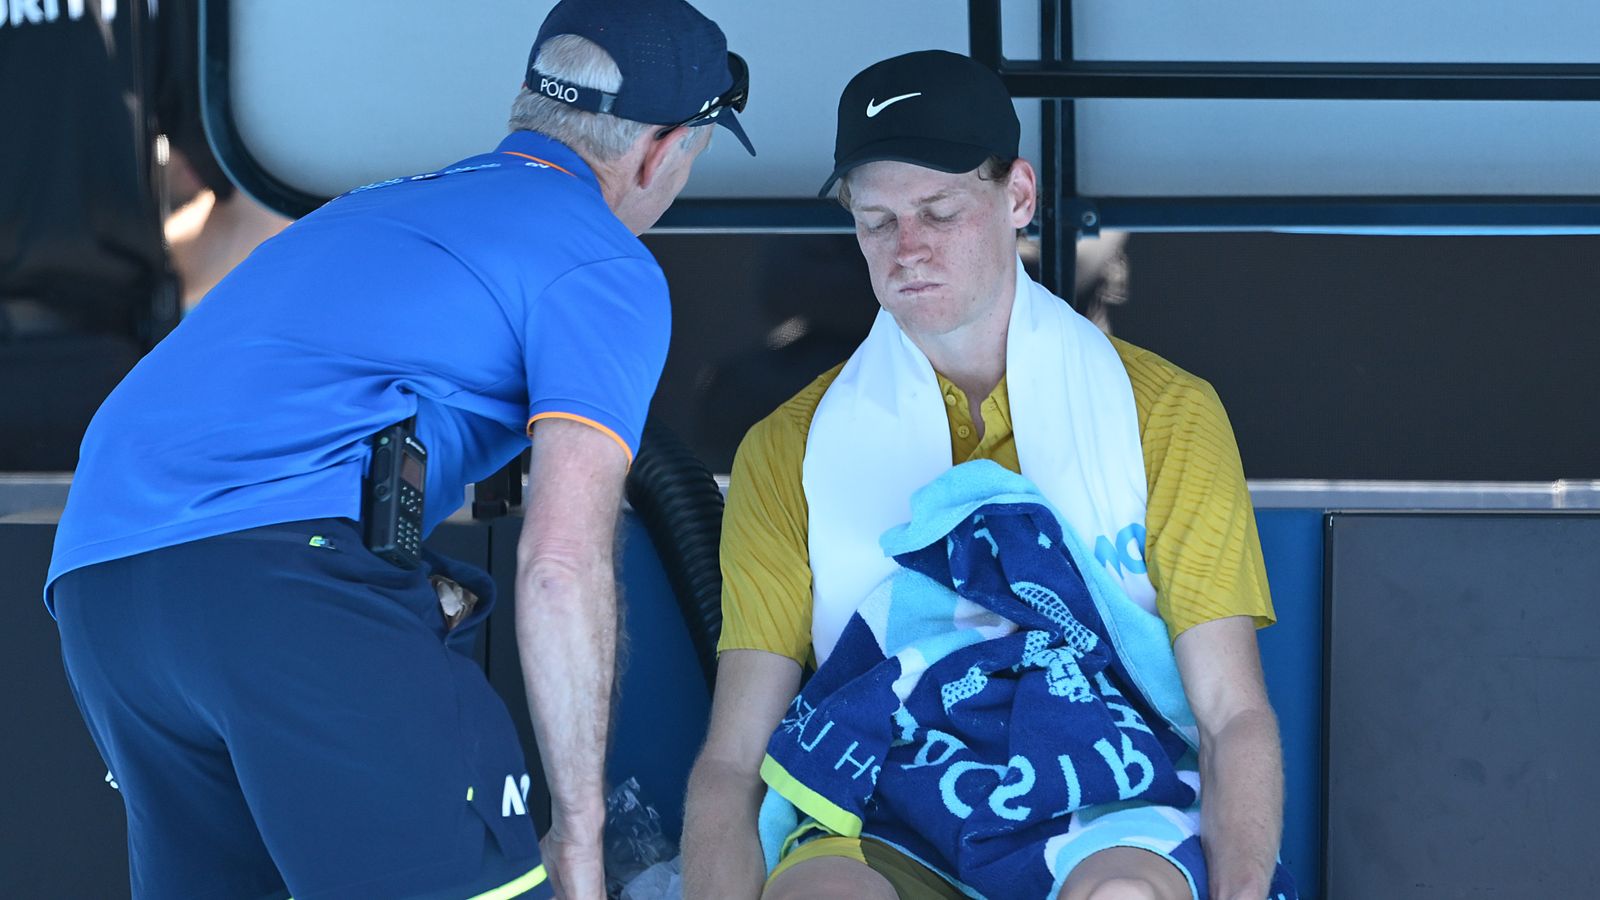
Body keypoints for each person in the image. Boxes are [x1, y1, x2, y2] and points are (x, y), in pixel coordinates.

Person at [47, 0, 753, 897]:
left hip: (101, 590)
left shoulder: (371, 212)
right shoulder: (599, 259)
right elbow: (561, 562)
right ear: (661, 150)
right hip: (278, 587)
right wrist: (580, 834)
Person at [683, 50, 1289, 900]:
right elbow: (733, 759)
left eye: (939, 210)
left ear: (1018, 197)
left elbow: (1232, 716)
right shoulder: (789, 448)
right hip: (884, 803)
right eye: (877, 221)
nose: (908, 250)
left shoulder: (1166, 413)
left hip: (1110, 794)